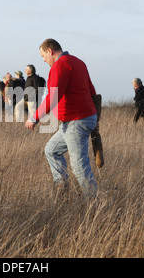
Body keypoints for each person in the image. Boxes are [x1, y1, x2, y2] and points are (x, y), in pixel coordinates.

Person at [25, 39, 99, 200]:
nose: (43, 60)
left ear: (50, 51)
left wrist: (34, 118)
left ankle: (95, 204)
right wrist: (95, 118)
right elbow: (92, 91)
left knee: (79, 166)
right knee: (51, 150)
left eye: (43, 55)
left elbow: (53, 97)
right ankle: (62, 190)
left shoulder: (59, 65)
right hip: (82, 118)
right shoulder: (78, 62)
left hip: (76, 120)